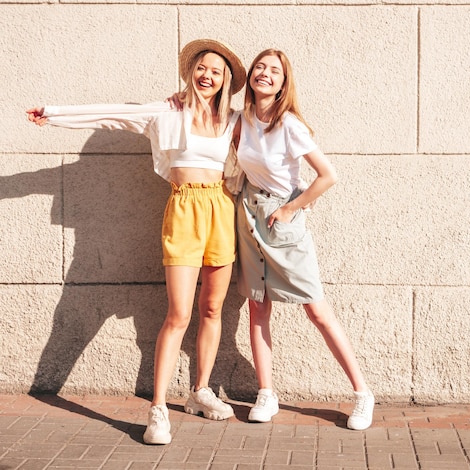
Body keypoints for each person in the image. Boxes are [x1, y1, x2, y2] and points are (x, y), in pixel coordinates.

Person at [26, 39, 247, 445]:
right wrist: (54, 115)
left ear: (225, 80)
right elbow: (112, 115)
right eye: (202, 67)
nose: (207, 76)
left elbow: (275, 138)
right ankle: (158, 409)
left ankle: (200, 391)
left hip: (220, 209)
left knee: (212, 308)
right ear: (190, 71)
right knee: (179, 313)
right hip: (184, 210)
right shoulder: (167, 112)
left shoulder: (233, 120)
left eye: (216, 71)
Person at [171, 49, 375, 429]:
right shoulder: (241, 120)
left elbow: (327, 175)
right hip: (247, 217)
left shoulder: (289, 125)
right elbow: (203, 115)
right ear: (250, 77)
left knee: (316, 309)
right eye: (260, 67)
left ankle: (363, 393)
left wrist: (291, 209)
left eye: (274, 71)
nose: (265, 73)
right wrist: (180, 99)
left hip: (282, 222)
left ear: (283, 83)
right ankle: (267, 392)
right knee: (258, 307)